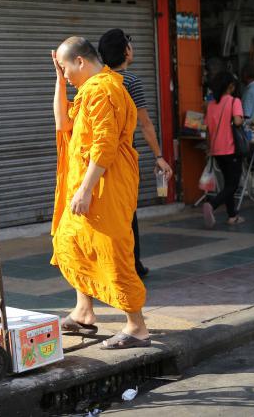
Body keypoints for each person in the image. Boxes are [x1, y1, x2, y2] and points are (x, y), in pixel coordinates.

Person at [51, 36, 150, 350]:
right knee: (71, 240)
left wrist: (85, 189)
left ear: (80, 61)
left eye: (65, 68)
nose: (65, 74)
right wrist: (57, 79)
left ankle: (137, 327)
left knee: (112, 252)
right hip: (88, 185)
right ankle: (83, 311)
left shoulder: (104, 90)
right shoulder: (86, 92)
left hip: (104, 185)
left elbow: (104, 145)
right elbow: (62, 123)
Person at [97, 28, 173, 278]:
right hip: (124, 156)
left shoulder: (96, 81)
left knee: (109, 210)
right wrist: (159, 156)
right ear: (126, 51)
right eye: (130, 44)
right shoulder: (129, 81)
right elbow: (145, 123)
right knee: (128, 211)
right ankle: (133, 264)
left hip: (100, 156)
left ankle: (112, 264)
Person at [201, 71, 245, 228]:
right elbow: (238, 121)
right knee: (232, 185)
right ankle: (212, 204)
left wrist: (208, 148)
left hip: (216, 150)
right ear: (230, 86)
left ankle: (232, 215)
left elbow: (207, 129)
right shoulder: (235, 101)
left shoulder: (211, 105)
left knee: (227, 183)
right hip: (231, 148)